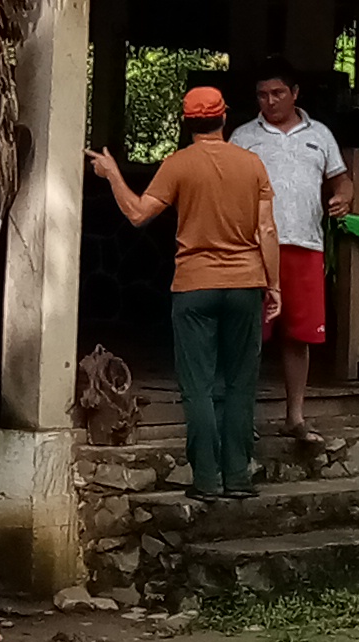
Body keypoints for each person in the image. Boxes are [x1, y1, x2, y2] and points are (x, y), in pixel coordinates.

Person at [89, 84, 277, 498]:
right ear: (225, 118)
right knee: (240, 384)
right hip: (245, 283)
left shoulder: (178, 165)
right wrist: (273, 284)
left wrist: (112, 174)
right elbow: (266, 230)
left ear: (187, 122)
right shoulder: (253, 165)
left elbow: (138, 214)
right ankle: (239, 478)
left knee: (198, 385)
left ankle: (206, 481)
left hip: (193, 286)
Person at [238, 68, 355, 448]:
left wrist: (344, 196)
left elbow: (341, 179)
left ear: (295, 93)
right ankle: (242, 417)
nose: (270, 101)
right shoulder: (243, 137)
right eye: (262, 94)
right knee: (248, 334)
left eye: (277, 93)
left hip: (306, 245)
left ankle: (295, 417)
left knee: (298, 336)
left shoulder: (320, 135)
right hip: (254, 247)